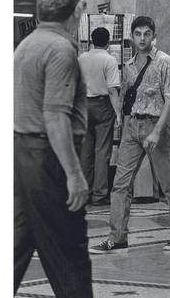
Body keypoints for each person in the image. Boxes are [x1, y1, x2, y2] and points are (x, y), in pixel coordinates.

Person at [14, 0, 92, 297]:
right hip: (48, 157)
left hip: (22, 153)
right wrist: (74, 175)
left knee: (19, 240)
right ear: (75, 11)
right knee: (70, 250)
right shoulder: (60, 50)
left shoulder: (27, 45)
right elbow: (55, 115)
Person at [90, 16, 170, 254]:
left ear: (153, 36)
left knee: (169, 184)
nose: (143, 38)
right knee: (120, 185)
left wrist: (157, 131)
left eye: (147, 34)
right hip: (132, 126)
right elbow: (127, 98)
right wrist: (123, 123)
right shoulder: (128, 65)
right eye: (138, 34)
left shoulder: (164, 61)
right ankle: (117, 237)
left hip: (157, 125)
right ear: (132, 37)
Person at [77, 26, 121, 206]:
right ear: (108, 41)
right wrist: (118, 114)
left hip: (83, 105)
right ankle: (100, 194)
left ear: (92, 40)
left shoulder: (81, 58)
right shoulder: (109, 60)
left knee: (85, 151)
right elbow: (112, 90)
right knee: (102, 151)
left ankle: (85, 193)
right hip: (103, 105)